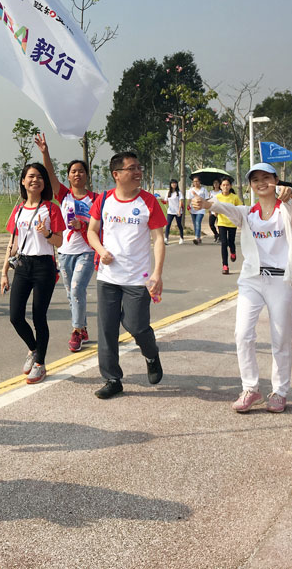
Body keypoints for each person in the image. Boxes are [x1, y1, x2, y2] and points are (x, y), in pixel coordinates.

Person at [193, 163, 292, 413]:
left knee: (280, 339)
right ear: (250, 185)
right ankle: (250, 388)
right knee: (242, 334)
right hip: (252, 280)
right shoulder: (247, 213)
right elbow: (223, 207)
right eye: (255, 180)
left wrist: (290, 194)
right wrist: (206, 204)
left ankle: (280, 391)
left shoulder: (286, 209)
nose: (261, 183)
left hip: (280, 281)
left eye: (266, 178)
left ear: (276, 179)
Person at [87, 152, 166, 399]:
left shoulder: (148, 202)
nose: (137, 172)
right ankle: (112, 378)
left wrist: (157, 273)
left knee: (136, 325)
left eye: (138, 167)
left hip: (137, 277)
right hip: (108, 276)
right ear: (117, 174)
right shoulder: (104, 199)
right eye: (132, 168)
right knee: (107, 329)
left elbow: (159, 239)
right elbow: (91, 231)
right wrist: (101, 250)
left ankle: (151, 354)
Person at [0, 163, 65, 385]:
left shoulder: (51, 208)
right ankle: (33, 349)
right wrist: (4, 273)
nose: (34, 180)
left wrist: (46, 233)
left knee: (39, 317)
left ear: (44, 183)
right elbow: (13, 243)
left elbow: (59, 240)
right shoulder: (18, 210)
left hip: (44, 266)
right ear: (23, 181)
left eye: (39, 177)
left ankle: (40, 363)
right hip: (23, 266)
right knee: (15, 316)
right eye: (30, 176)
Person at [35, 133, 98, 352]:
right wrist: (45, 153)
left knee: (77, 288)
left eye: (81, 171)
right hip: (64, 251)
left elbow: (101, 225)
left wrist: (84, 224)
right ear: (69, 177)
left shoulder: (95, 199)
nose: (77, 174)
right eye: (73, 171)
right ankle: (83, 328)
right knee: (72, 293)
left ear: (86, 175)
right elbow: (50, 174)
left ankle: (76, 332)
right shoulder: (63, 195)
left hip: (86, 252)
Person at [215, 179, 242, 274]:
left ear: (230, 186)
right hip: (221, 223)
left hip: (232, 223)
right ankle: (225, 265)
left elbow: (240, 209)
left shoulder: (234, 198)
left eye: (227, 185)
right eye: (223, 185)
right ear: (220, 186)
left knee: (231, 242)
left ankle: (233, 252)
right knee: (224, 243)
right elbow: (213, 208)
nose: (225, 187)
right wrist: (215, 213)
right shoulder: (217, 197)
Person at [187, 175, 210, 245]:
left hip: (201, 209)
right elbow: (189, 199)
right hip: (193, 209)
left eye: (197, 181)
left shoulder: (204, 190)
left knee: (198, 222)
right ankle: (199, 237)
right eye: (194, 181)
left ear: (200, 182)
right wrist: (188, 206)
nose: (196, 183)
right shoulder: (191, 190)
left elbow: (206, 199)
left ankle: (196, 237)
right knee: (195, 224)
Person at [164, 179, 185, 245]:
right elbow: (166, 201)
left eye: (175, 183)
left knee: (179, 225)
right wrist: (163, 200)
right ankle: (166, 238)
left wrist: (179, 211)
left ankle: (181, 238)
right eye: (173, 183)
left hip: (177, 211)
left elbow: (180, 202)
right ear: (170, 184)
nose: (174, 184)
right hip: (170, 211)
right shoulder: (168, 192)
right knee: (168, 224)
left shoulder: (179, 193)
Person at [208, 177, 221, 242]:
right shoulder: (211, 192)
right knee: (211, 224)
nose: (216, 184)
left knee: (219, 225)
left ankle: (221, 237)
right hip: (212, 210)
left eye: (217, 183)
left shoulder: (221, 192)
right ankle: (216, 234)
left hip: (220, 210)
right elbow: (209, 201)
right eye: (214, 183)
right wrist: (209, 210)